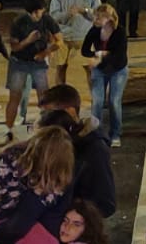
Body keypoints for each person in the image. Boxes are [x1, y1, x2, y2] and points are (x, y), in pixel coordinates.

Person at [38, 84, 117, 218]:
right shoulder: (52, 143)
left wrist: (71, 215)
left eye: (49, 114)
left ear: (70, 112)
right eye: (42, 114)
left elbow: (106, 203)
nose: (44, 120)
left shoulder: (94, 149)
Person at [3, 0, 60, 142]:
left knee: (44, 97)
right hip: (19, 62)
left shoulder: (47, 20)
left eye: (39, 11)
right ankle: (9, 130)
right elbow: (14, 47)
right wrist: (28, 40)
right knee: (14, 97)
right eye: (34, 12)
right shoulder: (19, 22)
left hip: (38, 62)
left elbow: (59, 40)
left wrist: (46, 52)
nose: (37, 15)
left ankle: (46, 129)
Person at [80, 3, 128, 148]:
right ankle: (96, 134)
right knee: (97, 101)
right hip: (100, 69)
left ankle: (115, 134)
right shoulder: (95, 30)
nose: (96, 20)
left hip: (118, 69)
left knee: (114, 101)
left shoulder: (120, 32)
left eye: (100, 18)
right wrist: (96, 54)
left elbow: (119, 56)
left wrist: (102, 55)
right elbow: (84, 50)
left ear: (109, 19)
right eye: (96, 17)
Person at [48, 0, 100, 88]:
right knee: (61, 67)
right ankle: (61, 95)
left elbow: (99, 14)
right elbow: (53, 16)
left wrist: (85, 11)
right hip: (63, 37)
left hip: (84, 37)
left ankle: (96, 96)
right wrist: (67, 14)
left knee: (89, 68)